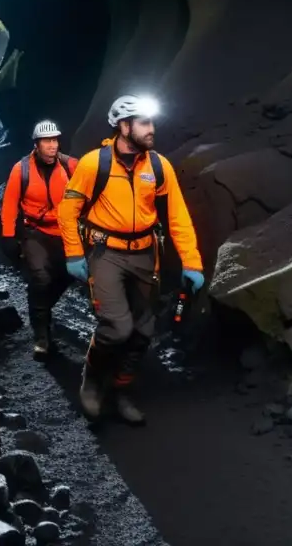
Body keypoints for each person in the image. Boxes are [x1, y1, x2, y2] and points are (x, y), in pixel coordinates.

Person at [58, 94, 204, 424]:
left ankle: (122, 389)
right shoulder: (94, 164)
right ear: (124, 127)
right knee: (117, 327)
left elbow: (177, 216)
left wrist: (191, 262)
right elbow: (68, 211)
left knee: (142, 330)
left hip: (144, 253)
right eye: (144, 123)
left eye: (151, 122)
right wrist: (73, 254)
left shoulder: (158, 165)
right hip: (106, 253)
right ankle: (93, 383)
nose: (152, 129)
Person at [0, 120, 78, 358]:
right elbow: (10, 205)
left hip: (65, 232)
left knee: (67, 275)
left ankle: (40, 309)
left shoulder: (71, 166)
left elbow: (89, 196)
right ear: (36, 144)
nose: (52, 146)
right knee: (41, 278)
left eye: (55, 140)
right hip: (35, 232)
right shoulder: (21, 169)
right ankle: (41, 336)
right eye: (47, 141)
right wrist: (8, 236)